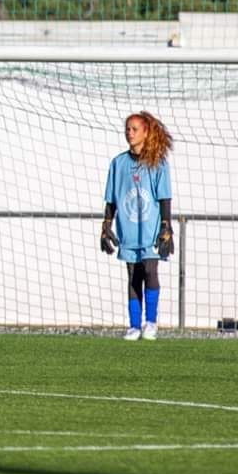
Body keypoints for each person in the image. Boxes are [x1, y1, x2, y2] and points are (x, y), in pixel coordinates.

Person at [101, 111, 174, 342]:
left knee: (150, 271)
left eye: (134, 129)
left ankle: (150, 322)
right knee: (133, 275)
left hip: (151, 231)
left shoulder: (158, 163)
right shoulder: (118, 163)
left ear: (146, 132)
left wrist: (166, 226)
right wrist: (106, 225)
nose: (129, 133)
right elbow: (111, 199)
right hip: (128, 231)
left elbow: (164, 198)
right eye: (127, 129)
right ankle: (134, 325)